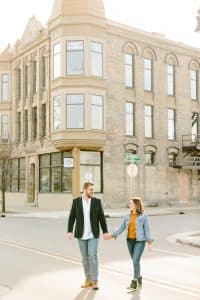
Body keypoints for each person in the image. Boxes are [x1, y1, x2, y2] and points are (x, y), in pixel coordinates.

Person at [66, 181, 109, 290]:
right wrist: (70, 231)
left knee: (92, 256)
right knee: (85, 258)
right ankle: (88, 279)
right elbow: (72, 217)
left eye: (93, 190)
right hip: (81, 234)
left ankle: (95, 281)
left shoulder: (96, 202)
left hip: (93, 234)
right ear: (85, 190)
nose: (92, 191)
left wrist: (105, 231)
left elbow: (102, 218)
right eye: (91, 190)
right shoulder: (76, 202)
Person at [111, 197, 153, 290]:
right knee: (135, 261)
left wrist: (149, 242)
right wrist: (113, 235)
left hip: (140, 241)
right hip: (129, 241)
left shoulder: (143, 216)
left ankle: (134, 281)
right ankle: (139, 276)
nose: (129, 205)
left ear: (136, 205)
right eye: (129, 203)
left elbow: (147, 229)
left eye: (131, 203)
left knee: (135, 260)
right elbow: (121, 227)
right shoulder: (127, 216)